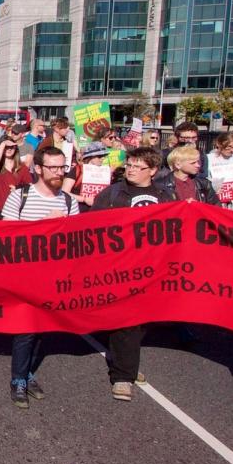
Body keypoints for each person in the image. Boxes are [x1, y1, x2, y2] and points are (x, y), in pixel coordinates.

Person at [91, 148, 175, 401]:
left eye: (137, 166)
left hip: (152, 269)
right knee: (127, 321)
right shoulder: (112, 194)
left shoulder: (165, 196)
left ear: (152, 171)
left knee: (141, 322)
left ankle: (126, 360)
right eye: (128, 164)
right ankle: (123, 377)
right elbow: (92, 227)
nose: (130, 169)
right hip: (119, 268)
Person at [1, 147, 79, 407]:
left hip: (54, 277)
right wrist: (45, 223)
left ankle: (28, 371)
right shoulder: (20, 197)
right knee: (26, 329)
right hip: (24, 276)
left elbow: (75, 242)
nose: (59, 172)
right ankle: (18, 379)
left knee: (43, 329)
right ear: (38, 169)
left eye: (62, 167)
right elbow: (6, 237)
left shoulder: (69, 201)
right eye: (53, 167)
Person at [0, 136, 33, 216]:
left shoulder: (22, 167)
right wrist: (3, 143)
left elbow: (29, 185)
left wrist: (17, 188)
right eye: (6, 147)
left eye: (12, 147)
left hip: (14, 206)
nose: (9, 149)